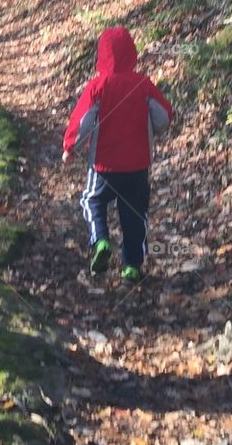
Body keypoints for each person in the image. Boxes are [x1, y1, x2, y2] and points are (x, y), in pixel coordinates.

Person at [62, 26, 173, 280]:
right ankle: (132, 267)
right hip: (138, 166)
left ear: (101, 56)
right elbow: (164, 116)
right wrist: (154, 129)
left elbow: (82, 121)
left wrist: (70, 147)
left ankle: (100, 240)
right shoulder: (143, 84)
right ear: (132, 53)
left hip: (104, 166)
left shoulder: (97, 87)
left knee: (92, 201)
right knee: (135, 215)